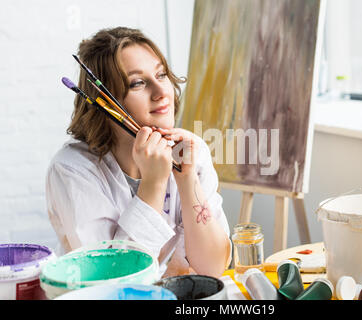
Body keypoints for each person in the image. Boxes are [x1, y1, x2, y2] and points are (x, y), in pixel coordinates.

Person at [46, 27, 231, 278]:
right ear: (105, 104)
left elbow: (213, 267)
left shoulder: (190, 151)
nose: (161, 91)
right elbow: (112, 280)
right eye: (138, 83)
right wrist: (153, 184)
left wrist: (187, 179)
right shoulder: (72, 170)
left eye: (162, 74)